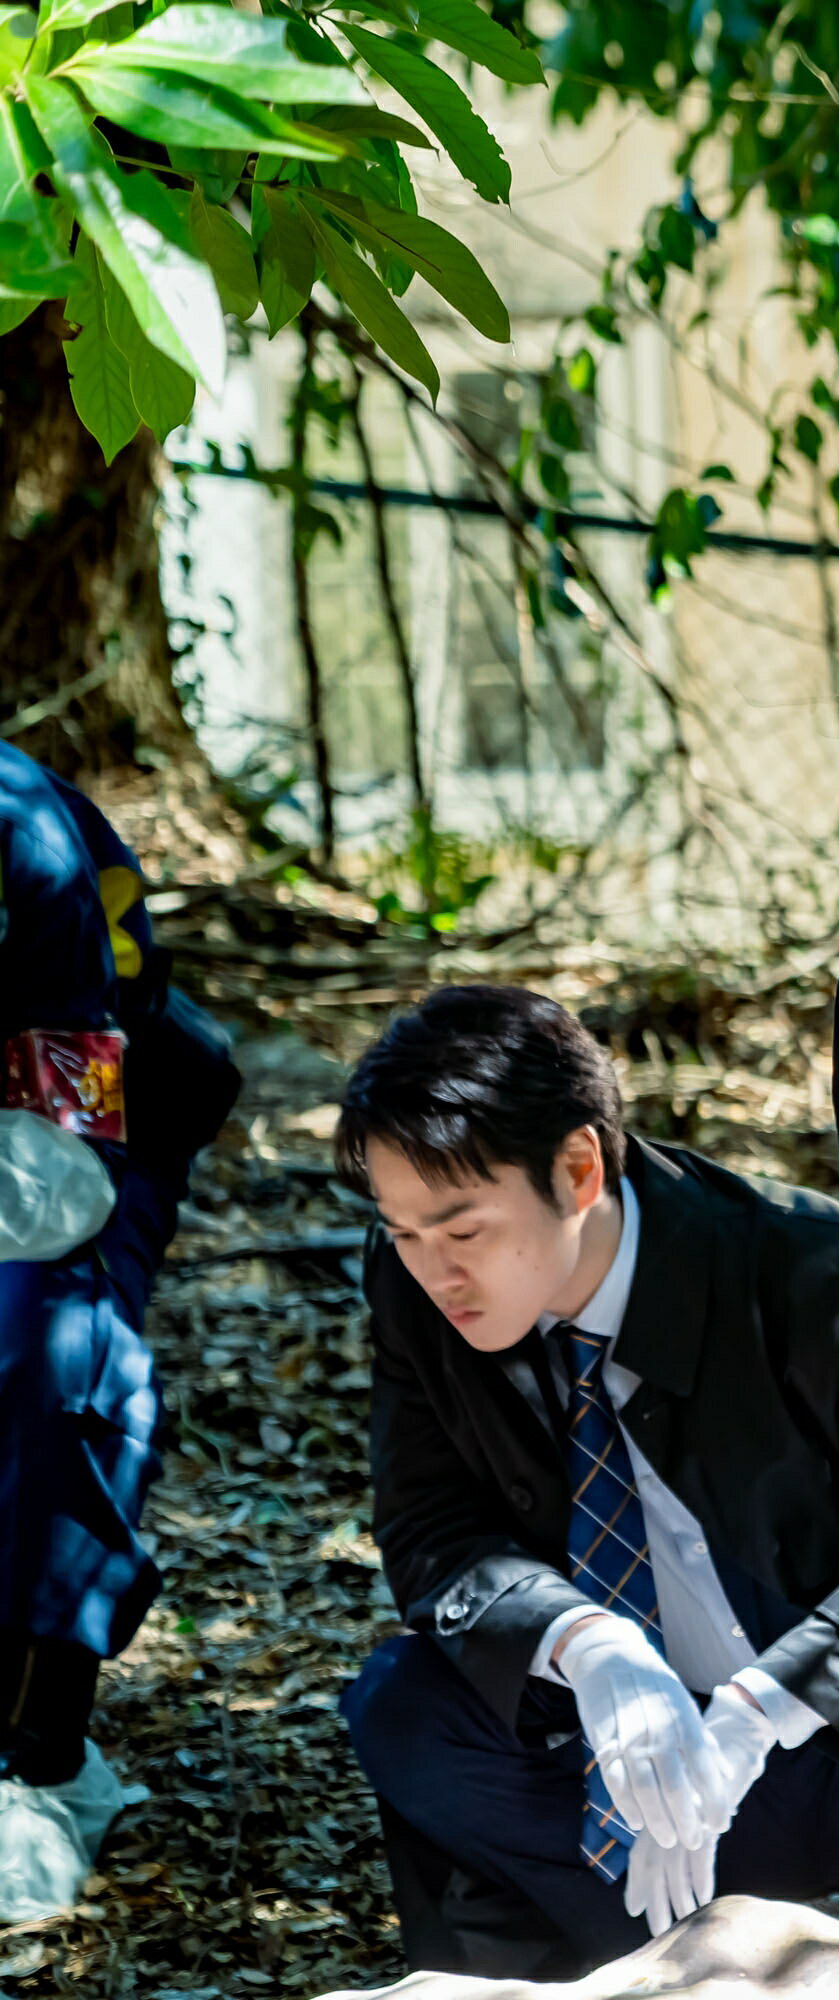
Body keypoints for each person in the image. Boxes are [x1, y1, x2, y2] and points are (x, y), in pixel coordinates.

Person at [334, 986, 839, 1978]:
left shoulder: (806, 1271)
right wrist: (584, 1644)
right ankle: (571, 1970)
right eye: (403, 1231)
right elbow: (429, 1527)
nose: (434, 1271)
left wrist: (773, 1700)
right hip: (618, 1764)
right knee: (405, 1705)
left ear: (579, 1167)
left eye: (462, 1231)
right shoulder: (415, 1285)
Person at [0, 745, 238, 1921]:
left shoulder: (25, 845)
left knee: (61, 1358)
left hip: (62, 1149)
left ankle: (37, 1755)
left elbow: (61, 1163)